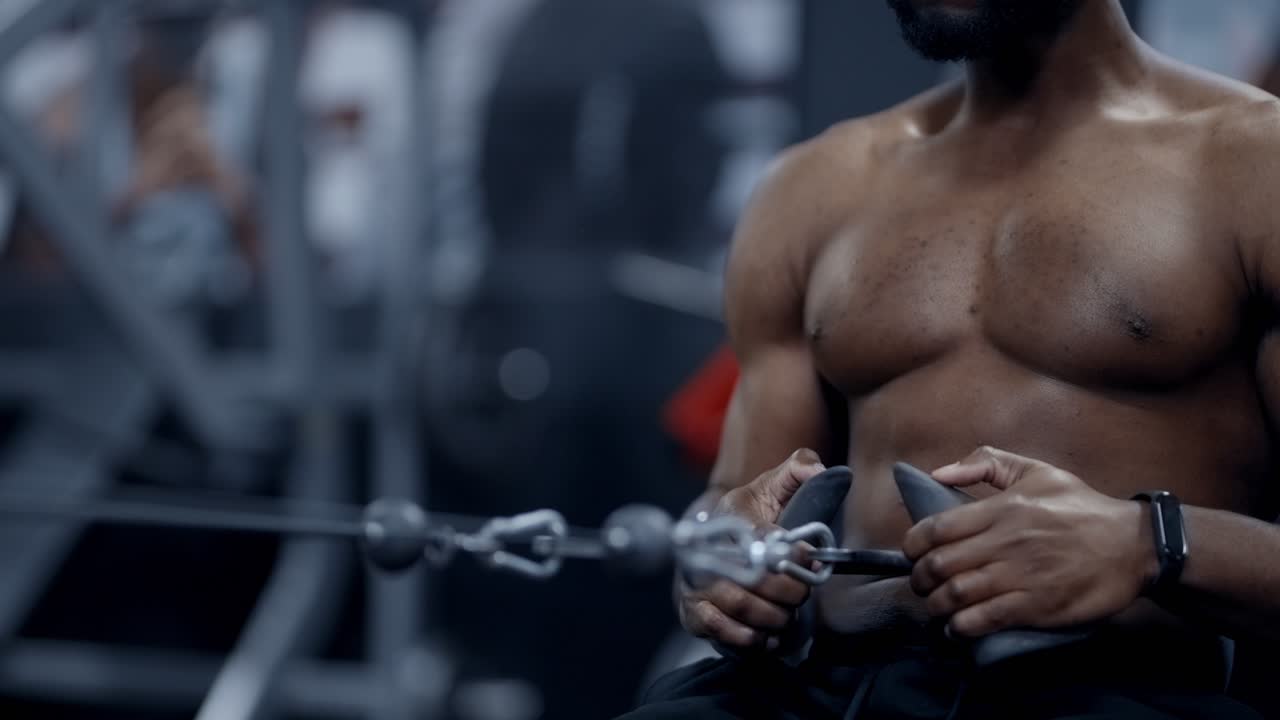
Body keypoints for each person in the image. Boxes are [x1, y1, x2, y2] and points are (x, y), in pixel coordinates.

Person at [620, 1, 1280, 718]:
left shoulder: (1251, 165)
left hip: (1114, 691)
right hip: (821, 691)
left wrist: (1147, 544)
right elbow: (730, 505)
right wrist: (717, 565)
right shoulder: (811, 189)